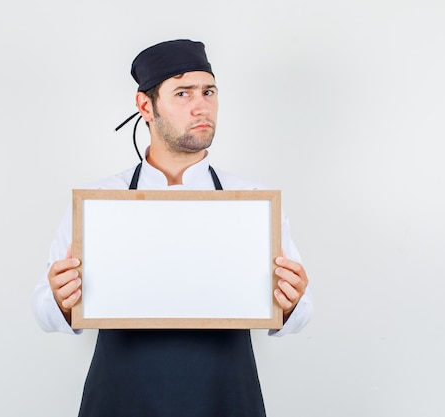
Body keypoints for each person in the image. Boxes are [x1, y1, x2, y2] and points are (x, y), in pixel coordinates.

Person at [32, 39, 314, 417]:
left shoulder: (252, 200)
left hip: (224, 394)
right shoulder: (99, 201)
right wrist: (61, 298)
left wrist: (292, 299)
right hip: (122, 395)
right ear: (146, 106)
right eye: (183, 93)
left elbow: (300, 311)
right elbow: (43, 307)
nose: (202, 106)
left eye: (208, 91)